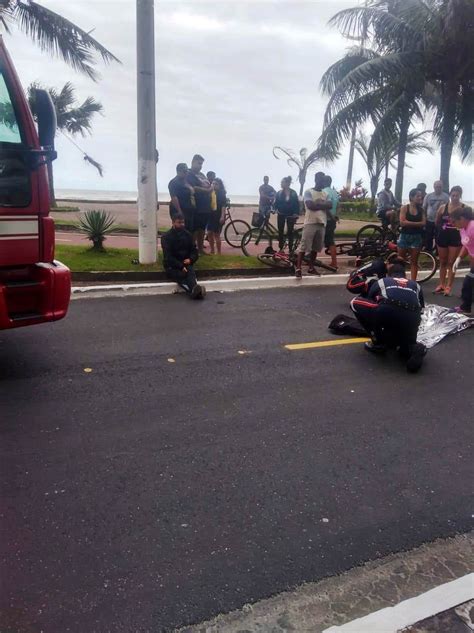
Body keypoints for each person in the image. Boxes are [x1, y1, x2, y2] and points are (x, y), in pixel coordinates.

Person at [347, 258, 426, 372]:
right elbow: (421, 309)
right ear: (405, 275)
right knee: (404, 348)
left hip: (388, 310)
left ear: (389, 273)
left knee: (355, 303)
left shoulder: (383, 281)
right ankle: (412, 347)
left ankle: (378, 342)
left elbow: (370, 299)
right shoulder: (415, 285)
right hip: (413, 317)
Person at [295, 172, 332, 278]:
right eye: (320, 180)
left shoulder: (325, 194)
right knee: (303, 246)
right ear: (316, 179)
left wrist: (318, 204)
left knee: (315, 248)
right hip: (310, 222)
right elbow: (310, 205)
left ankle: (311, 267)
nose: (322, 182)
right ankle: (298, 268)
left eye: (323, 180)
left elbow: (329, 205)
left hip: (321, 223)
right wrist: (322, 205)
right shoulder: (308, 192)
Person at [161, 214, 206, 299]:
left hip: (186, 263)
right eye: (179, 222)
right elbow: (168, 257)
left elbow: (194, 251)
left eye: (183, 222)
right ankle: (195, 291)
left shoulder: (188, 235)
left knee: (189, 271)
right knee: (183, 275)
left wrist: (190, 259)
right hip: (172, 266)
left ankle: (195, 292)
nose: (182, 224)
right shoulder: (166, 237)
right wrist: (180, 266)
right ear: (173, 223)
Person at [434, 185, 468, 296]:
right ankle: (442, 284)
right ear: (450, 195)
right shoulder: (443, 207)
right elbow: (437, 221)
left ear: (460, 196)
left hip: (456, 238)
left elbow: (469, 222)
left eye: (457, 196)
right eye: (452, 195)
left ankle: (449, 286)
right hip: (443, 236)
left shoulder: (464, 208)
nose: (454, 198)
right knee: (443, 262)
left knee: (451, 262)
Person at [397, 188, 426, 281]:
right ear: (411, 197)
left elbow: (424, 223)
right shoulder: (404, 208)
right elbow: (402, 222)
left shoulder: (421, 210)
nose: (420, 197)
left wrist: (408, 222)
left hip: (416, 237)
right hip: (404, 236)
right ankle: (401, 280)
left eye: (420, 196)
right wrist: (417, 224)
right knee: (400, 261)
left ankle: (413, 282)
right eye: (418, 196)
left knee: (414, 261)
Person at [186, 154, 212, 255]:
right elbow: (193, 188)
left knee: (202, 229)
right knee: (194, 230)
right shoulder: (189, 174)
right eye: (199, 163)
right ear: (193, 162)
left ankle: (200, 249)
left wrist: (208, 189)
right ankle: (193, 250)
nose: (200, 166)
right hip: (196, 207)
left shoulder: (202, 175)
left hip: (205, 207)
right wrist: (207, 190)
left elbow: (209, 185)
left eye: (201, 164)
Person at [452, 207, 474, 314]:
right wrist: (459, 258)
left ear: (461, 218)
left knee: (469, 282)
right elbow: (466, 244)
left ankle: (466, 307)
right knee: (468, 283)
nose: (452, 224)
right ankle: (466, 308)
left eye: (454, 221)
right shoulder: (462, 229)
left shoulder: (472, 227)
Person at [274, 176, 300, 252]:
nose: (281, 184)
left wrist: (296, 213)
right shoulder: (278, 193)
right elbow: (275, 204)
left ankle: (291, 249)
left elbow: (296, 204)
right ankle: (281, 248)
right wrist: (275, 210)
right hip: (281, 214)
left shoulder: (293, 193)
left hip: (291, 215)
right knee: (280, 232)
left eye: (282, 182)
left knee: (290, 232)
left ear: (287, 183)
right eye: (281, 182)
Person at [422, 180, 449, 253]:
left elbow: (448, 209)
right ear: (434, 187)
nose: (438, 188)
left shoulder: (446, 196)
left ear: (442, 187)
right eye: (437, 187)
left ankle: (438, 251)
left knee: (439, 236)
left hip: (441, 221)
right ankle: (428, 251)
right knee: (428, 236)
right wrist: (424, 219)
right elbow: (424, 208)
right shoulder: (428, 196)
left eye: (440, 187)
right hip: (429, 219)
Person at [168, 163, 195, 233]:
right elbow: (174, 197)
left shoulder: (186, 181)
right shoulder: (174, 182)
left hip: (188, 210)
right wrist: (179, 211)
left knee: (189, 230)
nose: (186, 173)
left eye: (187, 171)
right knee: (179, 229)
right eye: (184, 171)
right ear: (178, 171)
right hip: (179, 209)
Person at [322, 175, 340, 270]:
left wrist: (331, 216)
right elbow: (338, 206)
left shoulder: (324, 192)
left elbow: (325, 207)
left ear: (324, 182)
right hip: (332, 220)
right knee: (330, 240)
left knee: (320, 239)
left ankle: (334, 262)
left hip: (326, 219)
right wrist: (336, 216)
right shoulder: (334, 192)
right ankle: (334, 261)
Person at [207, 178, 227, 255]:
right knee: (209, 233)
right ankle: (212, 250)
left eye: (216, 184)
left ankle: (219, 252)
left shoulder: (222, 194)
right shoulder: (211, 192)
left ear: (220, 185)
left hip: (218, 215)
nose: (214, 185)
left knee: (216, 235)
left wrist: (222, 216)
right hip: (210, 215)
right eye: (213, 183)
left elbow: (223, 206)